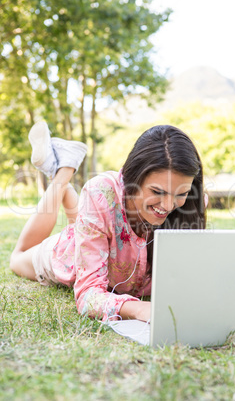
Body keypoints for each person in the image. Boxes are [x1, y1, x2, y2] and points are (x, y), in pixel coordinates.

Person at [10, 122, 206, 323]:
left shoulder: (189, 205)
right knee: (17, 258)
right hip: (69, 253)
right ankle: (64, 169)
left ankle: (59, 167)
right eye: (157, 192)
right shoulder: (101, 192)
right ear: (132, 177)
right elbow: (88, 295)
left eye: (181, 193)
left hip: (95, 232)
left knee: (89, 220)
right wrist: (138, 309)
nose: (167, 205)